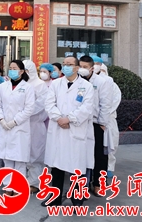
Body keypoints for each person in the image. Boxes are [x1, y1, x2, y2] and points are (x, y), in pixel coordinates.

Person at [43, 56, 94, 207]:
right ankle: (55, 198)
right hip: (58, 128)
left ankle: (77, 200)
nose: (66, 67)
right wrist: (59, 118)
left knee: (76, 167)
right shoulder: (56, 84)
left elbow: (87, 108)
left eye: (69, 64)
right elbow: (49, 104)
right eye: (64, 64)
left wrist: (69, 119)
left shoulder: (86, 86)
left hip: (75, 129)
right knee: (56, 166)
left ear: (77, 68)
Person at [0, 60, 35, 184]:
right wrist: (1, 120)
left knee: (19, 160)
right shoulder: (3, 86)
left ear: (21, 71)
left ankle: (18, 186)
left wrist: (14, 122)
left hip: (19, 128)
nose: (11, 70)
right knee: (7, 160)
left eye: (14, 68)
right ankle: (8, 186)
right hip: (4, 126)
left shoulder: (27, 88)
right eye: (10, 68)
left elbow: (29, 108)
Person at [79, 55, 113, 196]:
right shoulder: (77, 80)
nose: (82, 69)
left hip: (96, 123)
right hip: (79, 122)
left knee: (99, 155)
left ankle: (98, 183)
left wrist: (102, 123)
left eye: (85, 67)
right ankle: (83, 184)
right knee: (81, 154)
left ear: (92, 68)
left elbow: (105, 103)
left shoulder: (101, 82)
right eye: (80, 66)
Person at [22, 60, 49, 192]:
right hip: (21, 123)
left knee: (35, 154)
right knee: (22, 153)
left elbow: (41, 104)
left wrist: (24, 111)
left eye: (26, 70)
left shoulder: (40, 85)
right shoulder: (20, 84)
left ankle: (35, 182)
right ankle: (22, 179)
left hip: (34, 123)